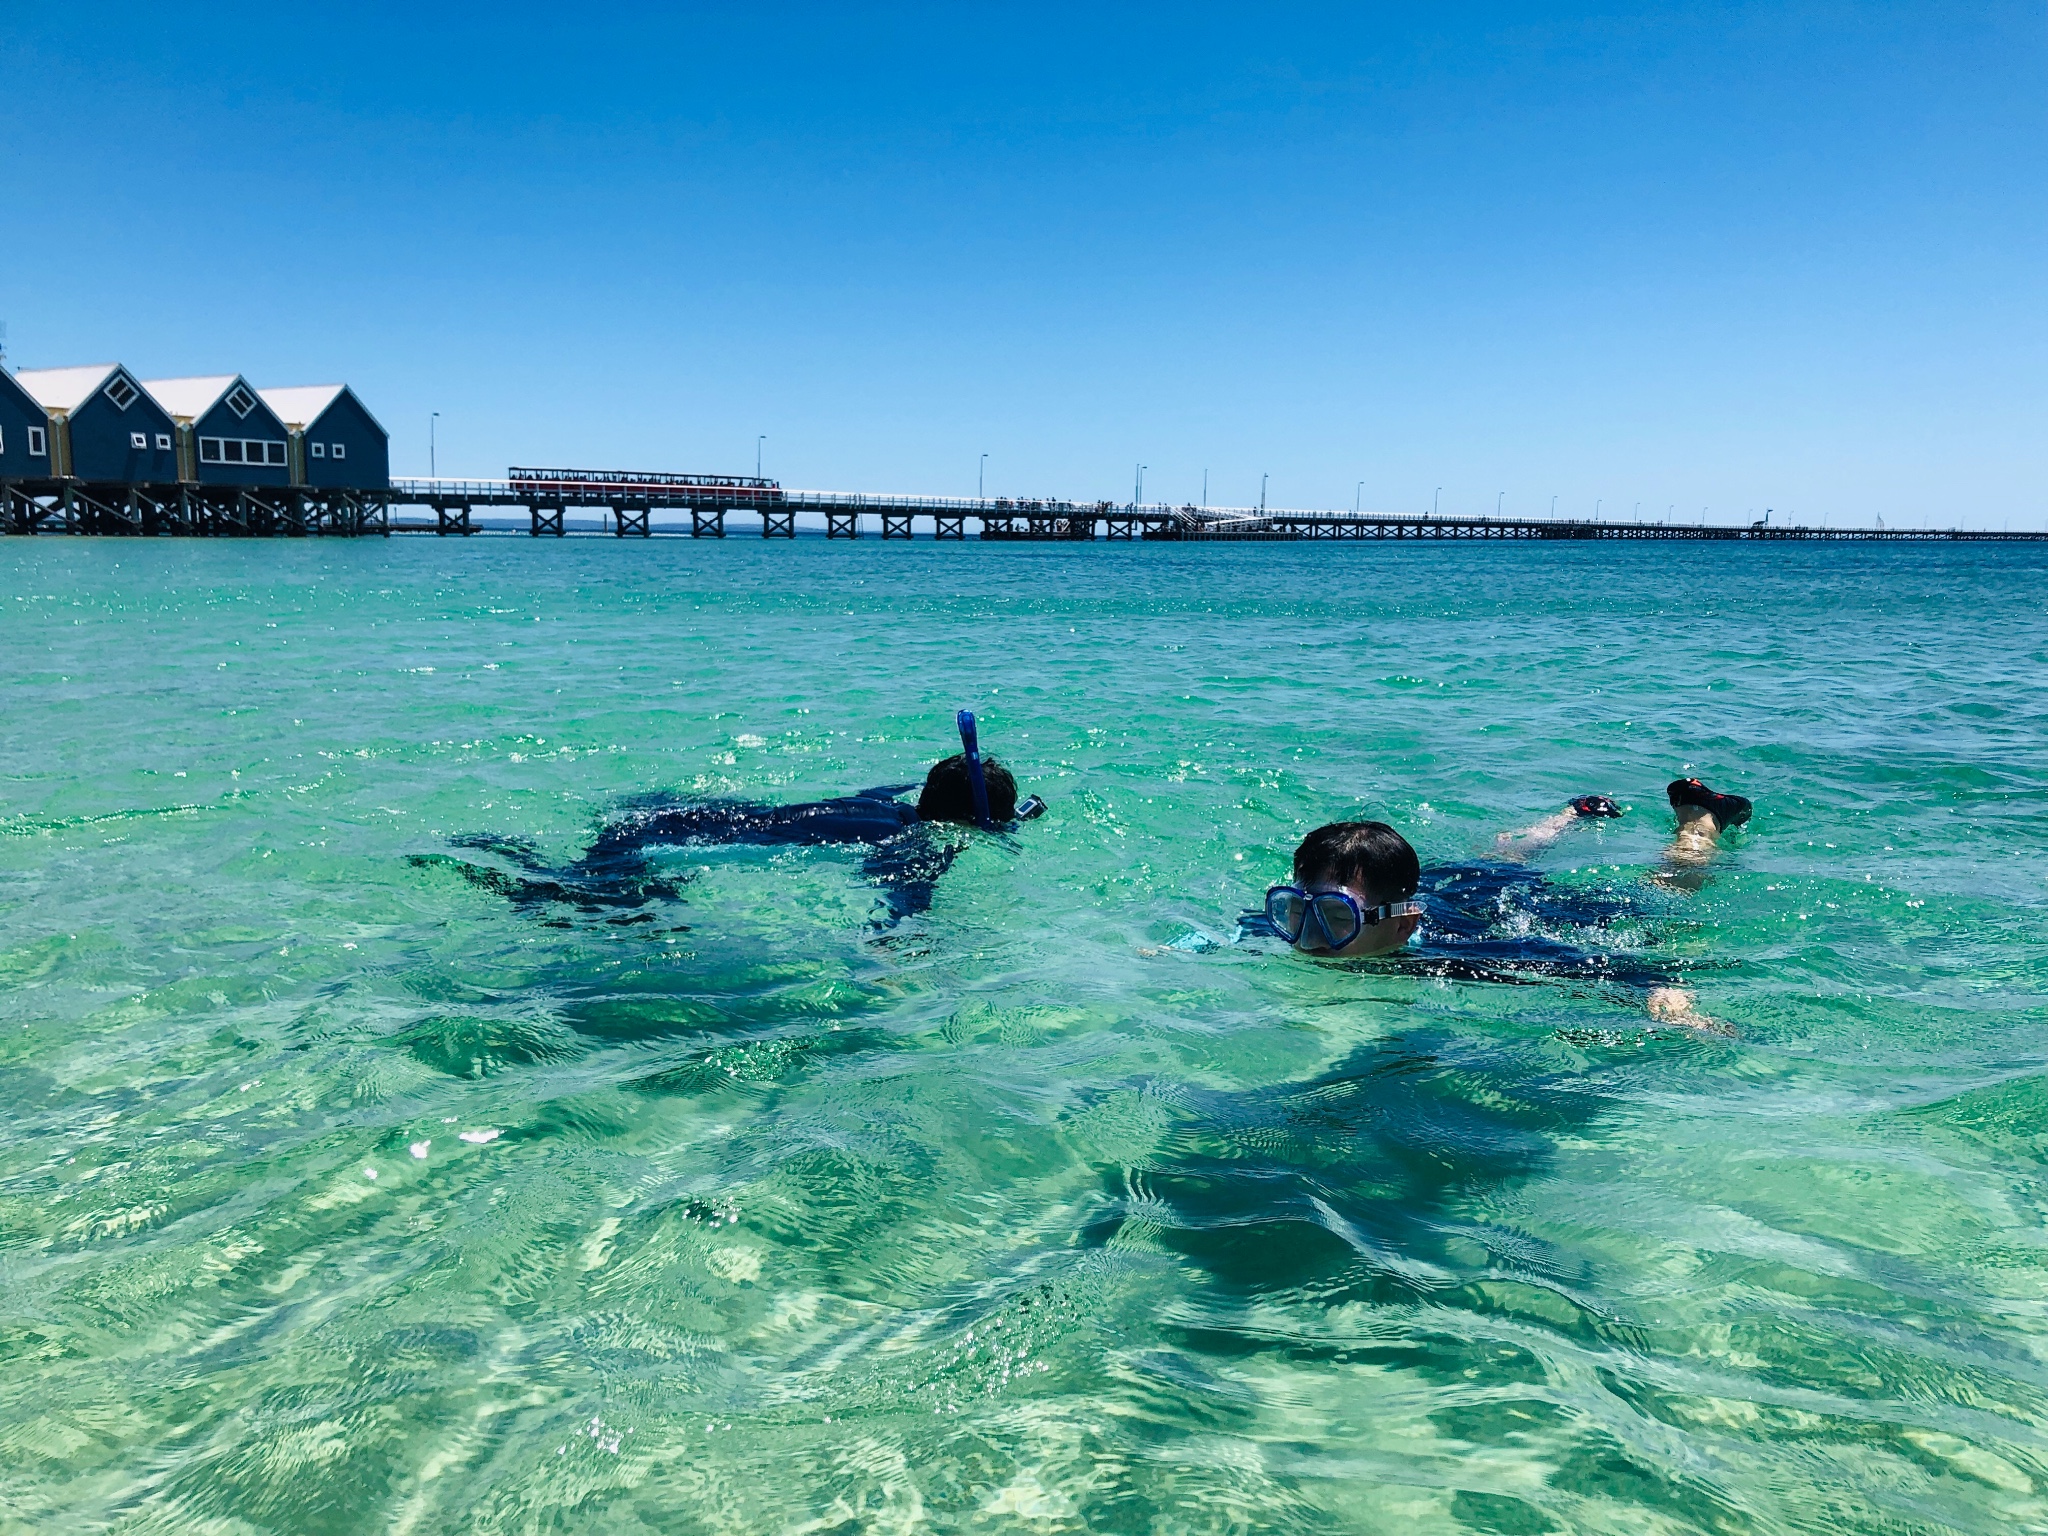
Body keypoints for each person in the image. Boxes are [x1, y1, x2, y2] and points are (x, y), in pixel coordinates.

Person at [1246, 778, 1755, 1032]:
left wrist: (1661, 996)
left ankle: (1701, 820)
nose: (1308, 938)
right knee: (1493, 859)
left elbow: (1592, 968)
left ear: (1401, 927)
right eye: (1295, 910)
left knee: (1662, 892)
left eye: (1337, 920)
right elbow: (1222, 933)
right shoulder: (1298, 923)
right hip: (1452, 888)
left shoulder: (1467, 957)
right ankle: (1574, 814)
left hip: (1503, 910)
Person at [415, 750, 1045, 925]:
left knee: (601, 885)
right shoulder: (918, 846)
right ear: (975, 820)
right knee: (581, 903)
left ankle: (492, 852)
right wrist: (896, 954)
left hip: (683, 817)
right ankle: (501, 873)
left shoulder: (891, 806)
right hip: (667, 840)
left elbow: (903, 788)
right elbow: (894, 889)